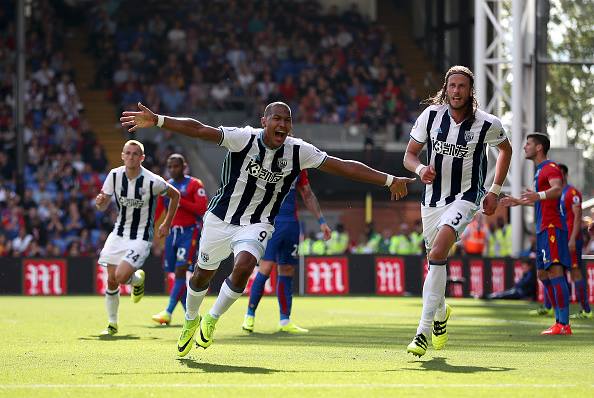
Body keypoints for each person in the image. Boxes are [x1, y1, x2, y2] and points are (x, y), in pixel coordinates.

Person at [120, 101, 415, 357]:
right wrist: (158, 120)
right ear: (264, 121)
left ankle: (211, 319)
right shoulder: (243, 139)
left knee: (246, 265)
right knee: (200, 278)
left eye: (287, 120)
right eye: (277, 118)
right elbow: (199, 129)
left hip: (257, 223)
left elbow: (343, 166)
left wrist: (389, 180)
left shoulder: (298, 151)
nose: (283, 124)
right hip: (220, 219)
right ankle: (190, 319)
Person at [403, 65, 512, 357]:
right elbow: (409, 156)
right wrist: (421, 168)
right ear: (445, 88)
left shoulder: (487, 123)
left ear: (470, 90)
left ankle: (422, 332)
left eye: (462, 86)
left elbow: (506, 150)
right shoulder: (431, 116)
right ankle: (440, 313)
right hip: (431, 201)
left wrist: (494, 191)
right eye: (452, 86)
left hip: (465, 198)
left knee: (438, 253)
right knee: (433, 261)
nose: (456, 91)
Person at [96, 140, 180, 336]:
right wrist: (100, 202)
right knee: (111, 280)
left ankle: (135, 279)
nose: (131, 157)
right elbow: (102, 203)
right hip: (118, 233)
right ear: (122, 155)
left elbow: (175, 195)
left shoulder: (152, 181)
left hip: (141, 237)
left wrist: (166, 223)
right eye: (128, 153)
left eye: (135, 154)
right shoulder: (114, 176)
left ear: (142, 158)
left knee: (120, 276)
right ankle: (112, 323)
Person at [241, 169, 331, 334]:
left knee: (287, 270)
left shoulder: (298, 164)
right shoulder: (266, 160)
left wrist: (322, 221)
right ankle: (249, 315)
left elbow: (307, 193)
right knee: (266, 268)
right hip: (269, 223)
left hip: (291, 224)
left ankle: (285, 320)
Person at [501, 133, 572, 335]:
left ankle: (563, 324)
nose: (525, 147)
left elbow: (557, 189)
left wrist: (537, 195)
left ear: (539, 147)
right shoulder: (539, 170)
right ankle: (558, 320)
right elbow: (539, 198)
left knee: (555, 272)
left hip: (552, 227)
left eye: (528, 144)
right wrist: (517, 201)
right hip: (542, 228)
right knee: (542, 274)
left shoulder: (550, 168)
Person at [152, 154, 208, 325]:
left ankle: (168, 312)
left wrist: (179, 201)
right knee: (177, 274)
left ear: (184, 166)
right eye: (170, 167)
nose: (173, 170)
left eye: (176, 166)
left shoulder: (194, 184)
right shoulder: (167, 186)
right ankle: (192, 316)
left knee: (180, 272)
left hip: (189, 232)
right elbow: (160, 209)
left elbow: (202, 208)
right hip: (172, 233)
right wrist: (150, 228)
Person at [559, 164, 591, 319]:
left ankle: (586, 310)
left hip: (572, 240)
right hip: (561, 239)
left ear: (564, 175)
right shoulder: (558, 193)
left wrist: (572, 238)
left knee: (575, 272)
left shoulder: (572, 192)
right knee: (559, 272)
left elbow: (577, 217)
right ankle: (562, 309)